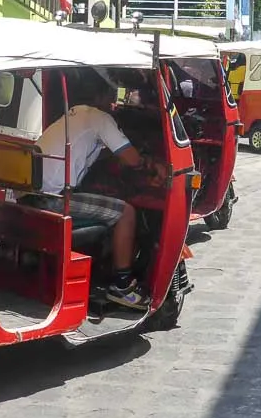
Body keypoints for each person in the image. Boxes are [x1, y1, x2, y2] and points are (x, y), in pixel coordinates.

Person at [35, 71, 166, 309]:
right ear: (99, 95)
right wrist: (150, 163)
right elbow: (131, 159)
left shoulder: (72, 114)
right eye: (111, 95)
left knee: (106, 203)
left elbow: (91, 150)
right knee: (126, 213)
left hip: (34, 194)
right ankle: (122, 285)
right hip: (54, 200)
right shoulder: (100, 118)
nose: (114, 102)